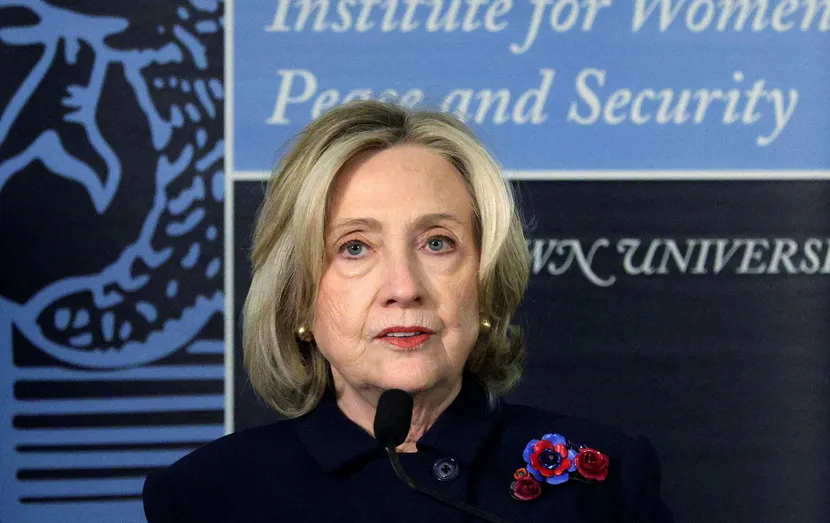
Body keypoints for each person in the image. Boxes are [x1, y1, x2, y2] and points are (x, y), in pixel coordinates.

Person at [142, 100, 674, 522]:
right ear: (298, 296)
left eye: (437, 243)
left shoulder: (602, 480)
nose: (403, 288)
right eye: (354, 247)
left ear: (485, 284)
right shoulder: (208, 496)